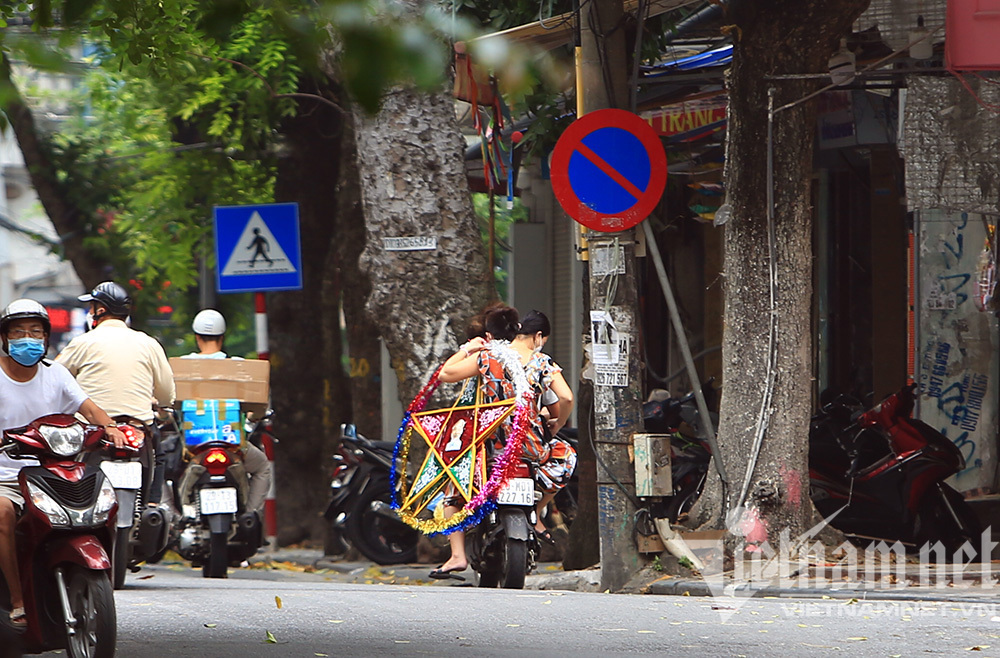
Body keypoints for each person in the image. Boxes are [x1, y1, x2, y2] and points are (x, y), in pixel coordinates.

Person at [0, 299, 125, 628]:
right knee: (2, 514)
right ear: (4, 338)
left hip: (50, 474)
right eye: (18, 332)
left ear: (45, 338)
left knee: (99, 505)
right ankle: (17, 600)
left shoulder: (56, 374)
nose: (27, 339)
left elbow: (88, 408)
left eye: (35, 332)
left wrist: (111, 427)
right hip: (6, 477)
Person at [55, 282, 176, 505]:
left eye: (92, 307)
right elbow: (167, 392)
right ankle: (151, 505)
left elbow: (55, 378)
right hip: (138, 428)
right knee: (159, 456)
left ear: (100, 310)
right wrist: (163, 403)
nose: (90, 311)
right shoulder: (148, 343)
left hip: (92, 431)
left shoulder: (82, 342)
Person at [430, 305, 523, 579]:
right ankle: (540, 521)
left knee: (453, 491)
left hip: (486, 441)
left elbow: (445, 374)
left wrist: (466, 349)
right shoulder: (533, 358)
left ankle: (457, 555)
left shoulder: (486, 357)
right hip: (523, 441)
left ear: (488, 336)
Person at [179, 309, 271, 514]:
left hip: (195, 444)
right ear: (222, 338)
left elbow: (168, 401)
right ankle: (250, 514)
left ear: (197, 337)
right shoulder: (237, 367)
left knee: (163, 466)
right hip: (232, 444)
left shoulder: (182, 367)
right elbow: (257, 405)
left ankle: (174, 513)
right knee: (263, 467)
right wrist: (254, 417)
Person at [511, 311, 576, 543]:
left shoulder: (491, 356)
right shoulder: (540, 362)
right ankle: (536, 513)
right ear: (538, 336)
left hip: (489, 442)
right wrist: (558, 424)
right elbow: (566, 398)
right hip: (527, 444)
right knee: (566, 456)